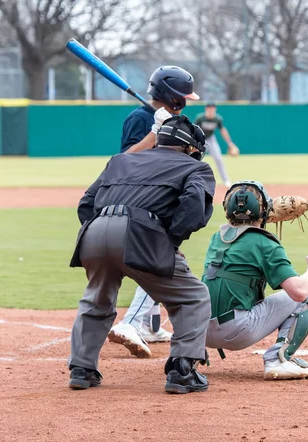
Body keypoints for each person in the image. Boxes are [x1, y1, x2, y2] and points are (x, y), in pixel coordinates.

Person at [67, 115, 216, 394]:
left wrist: (103, 231)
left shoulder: (121, 160)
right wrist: (169, 239)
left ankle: (81, 368)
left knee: (97, 297)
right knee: (192, 297)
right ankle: (182, 370)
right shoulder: (196, 167)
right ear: (190, 148)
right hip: (142, 233)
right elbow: (194, 209)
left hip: (93, 231)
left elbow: (86, 203)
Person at [107, 66, 200, 358]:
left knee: (165, 260)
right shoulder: (141, 118)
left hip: (160, 202)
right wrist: (154, 132)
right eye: (183, 97)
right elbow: (123, 162)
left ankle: (150, 323)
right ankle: (131, 322)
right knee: (160, 261)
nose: (186, 102)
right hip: (137, 202)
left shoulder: (175, 120)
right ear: (171, 96)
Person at [202, 181, 308, 380]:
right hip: (236, 331)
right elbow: (299, 292)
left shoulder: (217, 238)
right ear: (264, 211)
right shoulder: (265, 242)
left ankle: (189, 354)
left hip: (199, 331)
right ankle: (278, 359)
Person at [194, 102, 239, 188]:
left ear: (215, 109)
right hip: (200, 140)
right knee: (196, 159)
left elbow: (223, 130)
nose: (210, 110)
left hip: (211, 139)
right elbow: (194, 129)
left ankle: (226, 180)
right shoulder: (200, 118)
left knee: (218, 159)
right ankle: (194, 179)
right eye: (209, 108)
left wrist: (230, 143)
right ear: (206, 109)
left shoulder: (217, 119)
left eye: (212, 108)